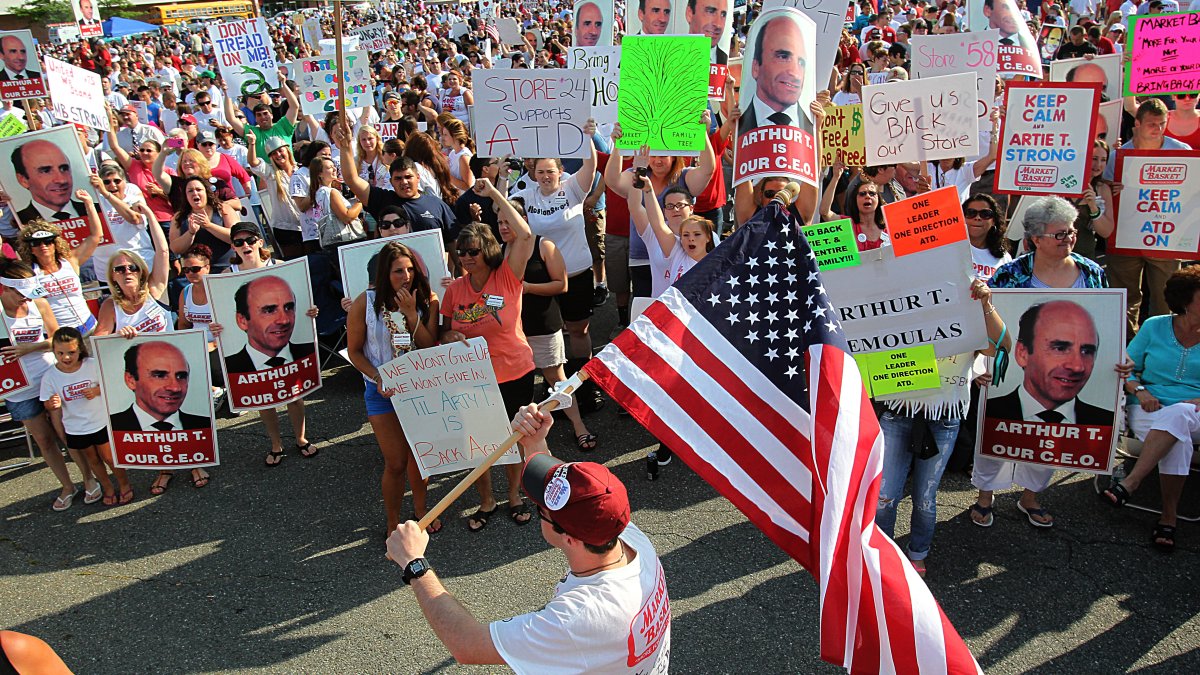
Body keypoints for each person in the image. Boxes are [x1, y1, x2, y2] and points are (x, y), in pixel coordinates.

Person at [384, 403, 671, 673]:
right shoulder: (627, 536)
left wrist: (415, 563)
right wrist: (535, 441)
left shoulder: (577, 620)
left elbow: (468, 645)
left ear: (569, 538)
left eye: (540, 507)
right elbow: (582, 492)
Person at [971, 196, 1124, 529]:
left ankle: (1030, 497)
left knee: (1052, 436)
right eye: (1059, 234)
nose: (1068, 238)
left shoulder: (1092, 272)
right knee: (997, 432)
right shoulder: (1010, 274)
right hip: (1010, 369)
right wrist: (981, 366)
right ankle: (985, 496)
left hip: (1064, 380)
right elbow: (988, 322)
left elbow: (1109, 324)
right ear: (1035, 239)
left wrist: (1118, 359)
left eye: (1070, 231)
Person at [876, 279, 1010, 577]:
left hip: (943, 416)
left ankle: (917, 553)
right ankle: (881, 556)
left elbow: (1002, 345)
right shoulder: (898, 308)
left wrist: (986, 305)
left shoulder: (967, 310)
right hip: (899, 412)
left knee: (925, 495)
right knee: (886, 494)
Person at [440, 211, 535, 531]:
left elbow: (525, 236)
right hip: (473, 378)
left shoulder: (507, 276)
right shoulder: (454, 289)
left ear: (488, 250)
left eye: (473, 251)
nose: (465, 257)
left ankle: (514, 495)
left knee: (514, 440)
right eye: (461, 252)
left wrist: (495, 194)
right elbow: (444, 331)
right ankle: (486, 500)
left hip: (514, 371)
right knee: (479, 442)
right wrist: (449, 336)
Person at [346, 242, 441, 536]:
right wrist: (378, 377)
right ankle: (392, 522)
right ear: (384, 273)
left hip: (419, 390)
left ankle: (421, 510)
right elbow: (354, 352)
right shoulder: (365, 302)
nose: (406, 275)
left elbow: (428, 345)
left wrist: (412, 314)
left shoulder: (429, 299)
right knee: (396, 462)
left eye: (411, 269)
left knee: (420, 455)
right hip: (382, 393)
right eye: (399, 270)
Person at [1103, 267, 1200, 552]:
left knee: (1180, 414)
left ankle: (1131, 483)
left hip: (1196, 412)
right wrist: (1139, 390)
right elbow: (1125, 368)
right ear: (1185, 301)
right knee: (1178, 434)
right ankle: (1168, 518)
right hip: (1148, 408)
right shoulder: (1155, 326)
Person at [210, 223, 319, 467]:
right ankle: (275, 444)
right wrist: (217, 327)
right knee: (264, 399)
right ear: (233, 247)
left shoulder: (282, 268)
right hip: (250, 354)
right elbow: (221, 314)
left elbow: (301, 300)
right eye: (238, 242)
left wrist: (309, 311)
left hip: (289, 352)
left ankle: (301, 438)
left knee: (295, 395)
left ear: (260, 241)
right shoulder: (225, 278)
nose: (245, 245)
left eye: (249, 239)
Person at [513, 120, 603, 414]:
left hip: (576, 276)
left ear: (560, 171)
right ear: (534, 174)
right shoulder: (527, 193)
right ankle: (558, 388)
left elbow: (591, 165)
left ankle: (584, 383)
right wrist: (499, 180)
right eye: (540, 172)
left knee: (578, 330)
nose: (546, 176)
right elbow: (506, 211)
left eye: (551, 171)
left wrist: (588, 137)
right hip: (544, 279)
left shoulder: (573, 189)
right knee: (549, 335)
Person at [0, 260, 100, 511]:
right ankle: (67, 486)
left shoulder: (39, 304)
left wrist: (29, 348)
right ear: (4, 289)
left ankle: (89, 479)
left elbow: (56, 337)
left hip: (48, 377)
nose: (26, 301)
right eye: (21, 296)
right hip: (17, 388)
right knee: (44, 440)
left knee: (66, 434)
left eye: (28, 296)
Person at [1105, 99, 1192, 337]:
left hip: (1164, 238)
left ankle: (1161, 345)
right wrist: (1109, 188)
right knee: (1124, 299)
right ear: (1138, 123)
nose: (1157, 128)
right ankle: (1126, 347)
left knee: (1167, 299)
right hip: (1124, 237)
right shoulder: (1117, 156)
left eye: (1162, 123)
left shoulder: (1182, 152)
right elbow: (1103, 190)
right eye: (1152, 124)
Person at [41, 326, 131, 507]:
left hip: (100, 422)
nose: (66, 357)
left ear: (80, 349)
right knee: (93, 460)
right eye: (60, 353)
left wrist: (97, 390)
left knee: (110, 458)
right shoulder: (50, 376)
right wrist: (52, 404)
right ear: (54, 351)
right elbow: (46, 403)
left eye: (71, 352)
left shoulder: (92, 365)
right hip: (75, 427)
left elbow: (114, 384)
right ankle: (107, 488)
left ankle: (124, 484)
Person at [987, 301, 1114, 424]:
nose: (1077, 367)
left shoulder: (1106, 424)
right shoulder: (985, 415)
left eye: (1086, 351)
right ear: (1022, 353)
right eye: (1060, 348)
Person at [17, 208, 103, 333]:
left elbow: (96, 235)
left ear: (55, 244)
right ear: (30, 249)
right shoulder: (27, 273)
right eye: (35, 243)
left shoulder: (71, 261)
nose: (43, 246)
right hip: (58, 336)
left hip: (88, 327)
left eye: (47, 241)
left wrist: (88, 202)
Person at [109, 340, 210, 433]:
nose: (175, 388)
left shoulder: (206, 426)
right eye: (159, 376)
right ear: (131, 380)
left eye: (181, 376)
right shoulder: (110, 428)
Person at [223, 274, 316, 374]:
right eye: (269, 310)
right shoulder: (228, 369)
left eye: (288, 308)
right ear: (242, 320)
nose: (284, 320)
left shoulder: (311, 352)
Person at [739, 13, 809, 131]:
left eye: (801, 62)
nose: (795, 74)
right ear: (756, 67)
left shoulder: (812, 126)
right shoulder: (738, 123)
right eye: (783, 57)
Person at [91, 166, 157, 281]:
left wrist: (106, 194)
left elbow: (134, 218)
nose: (112, 185)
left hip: (138, 263)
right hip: (107, 269)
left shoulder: (134, 199)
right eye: (106, 182)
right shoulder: (95, 203)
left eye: (117, 181)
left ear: (125, 182)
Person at [245, 132, 304, 259]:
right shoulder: (270, 173)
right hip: (285, 228)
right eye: (273, 153)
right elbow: (253, 162)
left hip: (306, 224)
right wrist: (252, 144)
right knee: (294, 261)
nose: (278, 155)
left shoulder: (301, 170)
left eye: (280, 151)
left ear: (287, 150)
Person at [10, 140, 86, 225]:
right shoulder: (19, 221)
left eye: (64, 169)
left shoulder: (95, 210)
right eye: (46, 171)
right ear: (23, 180)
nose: (61, 180)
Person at [168, 176, 236, 270]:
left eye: (199, 189)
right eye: (190, 191)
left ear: (206, 192)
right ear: (185, 196)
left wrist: (209, 225)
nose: (195, 193)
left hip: (226, 267)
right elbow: (175, 248)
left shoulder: (223, 209)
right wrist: (190, 233)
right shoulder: (179, 217)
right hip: (196, 272)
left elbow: (236, 236)